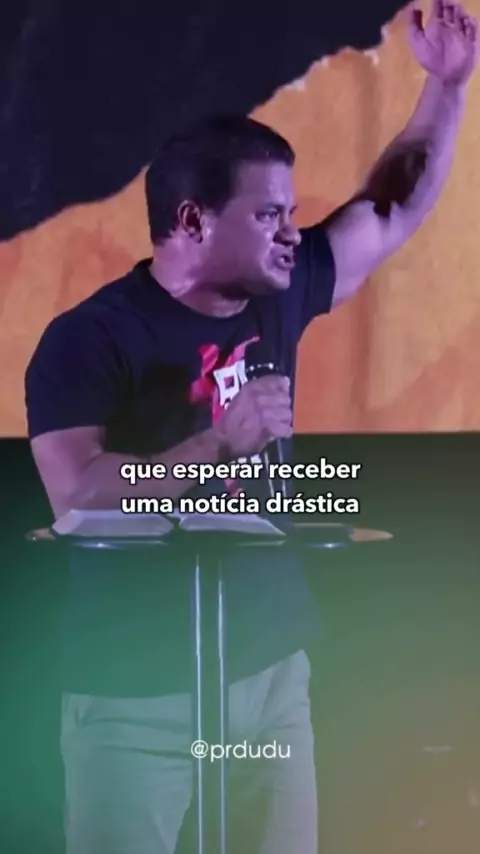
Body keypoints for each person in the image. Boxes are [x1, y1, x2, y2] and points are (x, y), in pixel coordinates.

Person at [25, 3, 477, 852]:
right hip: (136, 693)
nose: (292, 234)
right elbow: (77, 494)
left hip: (269, 675)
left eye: (291, 213)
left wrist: (447, 87)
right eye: (269, 215)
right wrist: (215, 445)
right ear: (193, 221)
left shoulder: (279, 291)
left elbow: (389, 208)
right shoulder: (88, 339)